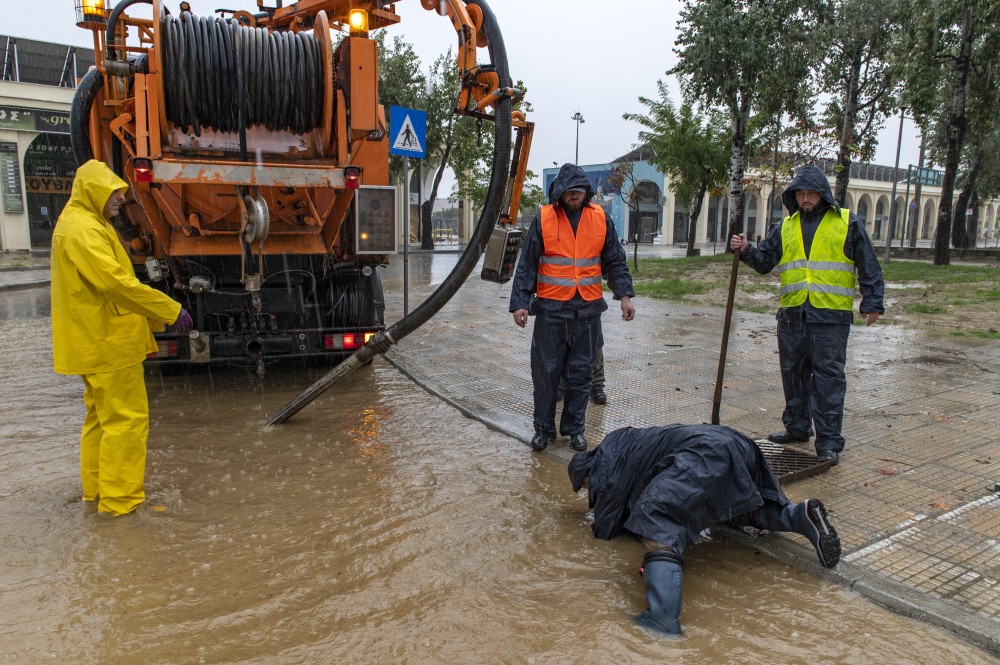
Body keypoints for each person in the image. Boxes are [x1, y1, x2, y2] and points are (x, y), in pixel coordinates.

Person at [568, 424, 842, 636]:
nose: (590, 491)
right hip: (735, 443)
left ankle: (661, 619)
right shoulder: (624, 442)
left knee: (655, 516)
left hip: (701, 455)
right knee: (738, 508)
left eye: (585, 486)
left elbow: (607, 525)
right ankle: (800, 516)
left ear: (586, 474)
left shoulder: (604, 463)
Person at [51, 159, 192, 517]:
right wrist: (168, 309)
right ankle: (121, 504)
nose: (119, 200)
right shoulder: (84, 229)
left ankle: (98, 494)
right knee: (127, 422)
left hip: (94, 341)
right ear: (94, 191)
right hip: (108, 343)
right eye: (114, 193)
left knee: (100, 420)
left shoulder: (81, 223)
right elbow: (116, 283)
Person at [730, 164, 884, 466]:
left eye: (810, 192)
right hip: (792, 314)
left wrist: (873, 300)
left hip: (830, 317)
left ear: (822, 194)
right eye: (800, 193)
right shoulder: (786, 227)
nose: (805, 198)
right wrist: (747, 249)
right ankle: (797, 428)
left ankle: (828, 441)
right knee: (793, 374)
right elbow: (764, 262)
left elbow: (868, 263)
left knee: (828, 379)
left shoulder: (846, 223)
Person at [510, 163, 635, 452]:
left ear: (586, 192)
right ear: (560, 193)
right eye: (569, 191)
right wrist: (520, 303)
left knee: (581, 375)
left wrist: (625, 296)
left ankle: (574, 429)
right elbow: (527, 264)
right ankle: (543, 429)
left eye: (579, 190)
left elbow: (615, 260)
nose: (574, 196)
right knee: (545, 374)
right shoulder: (544, 219)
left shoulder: (601, 219)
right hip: (551, 312)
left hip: (588, 311)